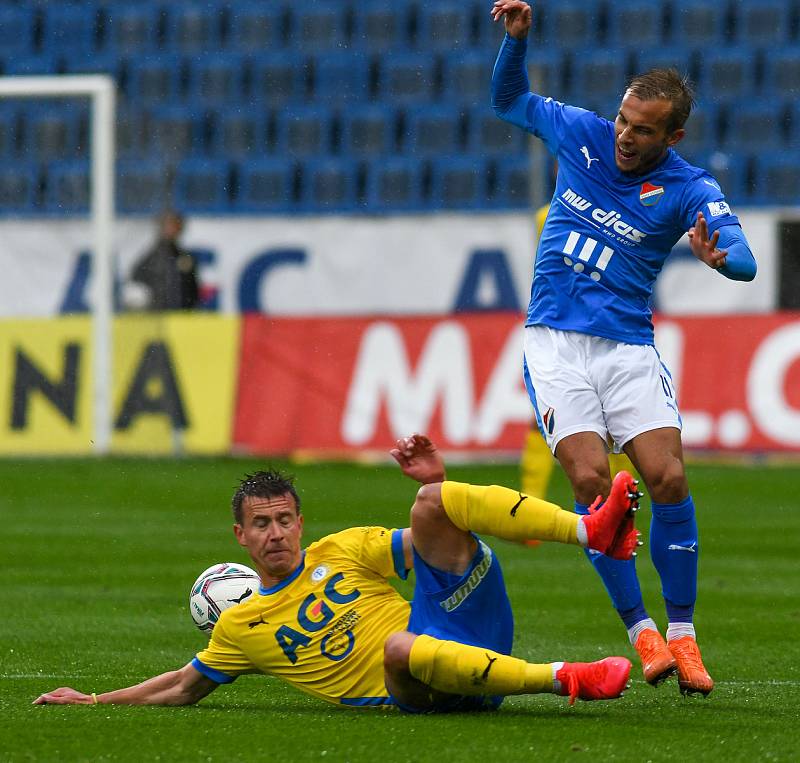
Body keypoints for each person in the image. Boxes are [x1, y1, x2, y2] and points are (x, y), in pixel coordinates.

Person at [490, 0, 757, 697]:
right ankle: (640, 629)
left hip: (628, 347)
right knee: (590, 483)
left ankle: (684, 635)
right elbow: (508, 98)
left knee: (667, 479)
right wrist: (517, 42)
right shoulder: (577, 133)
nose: (625, 138)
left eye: (643, 131)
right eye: (622, 121)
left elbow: (748, 261)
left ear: (674, 133)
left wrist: (717, 259)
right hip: (555, 343)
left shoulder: (688, 186)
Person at [34, 434, 641, 712]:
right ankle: (566, 679)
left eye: (283, 521)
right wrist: (94, 699)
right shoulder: (243, 626)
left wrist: (438, 480)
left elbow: (443, 538)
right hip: (418, 687)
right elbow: (182, 686)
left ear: (300, 523)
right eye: (261, 525)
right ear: (240, 538)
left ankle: (592, 529)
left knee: (432, 505)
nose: (275, 534)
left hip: (469, 631)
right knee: (401, 647)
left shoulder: (341, 548)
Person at [129, 210, 199, 311]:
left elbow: (193, 291)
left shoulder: (186, 258)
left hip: (182, 317)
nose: (171, 230)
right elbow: (136, 285)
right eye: (167, 226)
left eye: (175, 226)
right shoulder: (151, 258)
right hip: (157, 317)